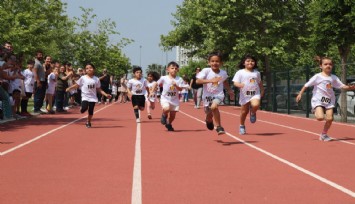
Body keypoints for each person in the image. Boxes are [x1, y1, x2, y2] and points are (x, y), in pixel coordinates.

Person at [296, 56, 355, 141]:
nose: (328, 66)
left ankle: (323, 134)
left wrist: (350, 87)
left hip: (329, 100)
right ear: (321, 66)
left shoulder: (334, 77)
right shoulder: (317, 77)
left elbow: (342, 86)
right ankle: (314, 109)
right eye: (326, 64)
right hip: (318, 99)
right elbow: (306, 85)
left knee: (330, 119)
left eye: (330, 64)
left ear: (332, 66)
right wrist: (300, 94)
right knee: (320, 118)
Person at [196, 52, 234, 135]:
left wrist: (230, 90)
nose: (214, 63)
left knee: (214, 107)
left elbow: (225, 82)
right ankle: (208, 120)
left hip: (218, 95)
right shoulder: (206, 71)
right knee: (209, 114)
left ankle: (219, 127)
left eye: (217, 61)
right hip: (207, 96)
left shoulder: (223, 73)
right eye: (212, 61)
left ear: (221, 63)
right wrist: (210, 80)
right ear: (209, 62)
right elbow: (198, 81)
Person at [66, 63, 111, 128]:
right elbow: (77, 85)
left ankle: (88, 122)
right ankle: (82, 108)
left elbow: (98, 89)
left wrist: (106, 94)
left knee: (91, 111)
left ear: (94, 69)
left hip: (93, 97)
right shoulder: (83, 78)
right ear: (85, 70)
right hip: (85, 96)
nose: (89, 69)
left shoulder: (96, 79)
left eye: (90, 68)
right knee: (84, 108)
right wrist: (69, 88)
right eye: (87, 68)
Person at [233, 54, 264, 135]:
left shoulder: (257, 73)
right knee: (244, 112)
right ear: (244, 63)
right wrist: (239, 85)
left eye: (252, 61)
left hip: (255, 93)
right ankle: (242, 126)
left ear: (255, 63)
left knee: (256, 105)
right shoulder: (240, 72)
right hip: (244, 95)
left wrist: (262, 90)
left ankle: (253, 112)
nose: (250, 62)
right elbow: (235, 82)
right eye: (248, 61)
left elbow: (259, 82)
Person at [157, 61, 183, 131]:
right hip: (165, 98)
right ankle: (164, 115)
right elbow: (156, 84)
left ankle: (169, 123)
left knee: (173, 115)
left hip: (174, 99)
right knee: (166, 109)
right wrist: (152, 90)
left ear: (177, 70)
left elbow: (181, 89)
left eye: (175, 68)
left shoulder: (179, 79)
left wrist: (176, 85)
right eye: (172, 68)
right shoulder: (164, 78)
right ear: (167, 69)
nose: (174, 69)